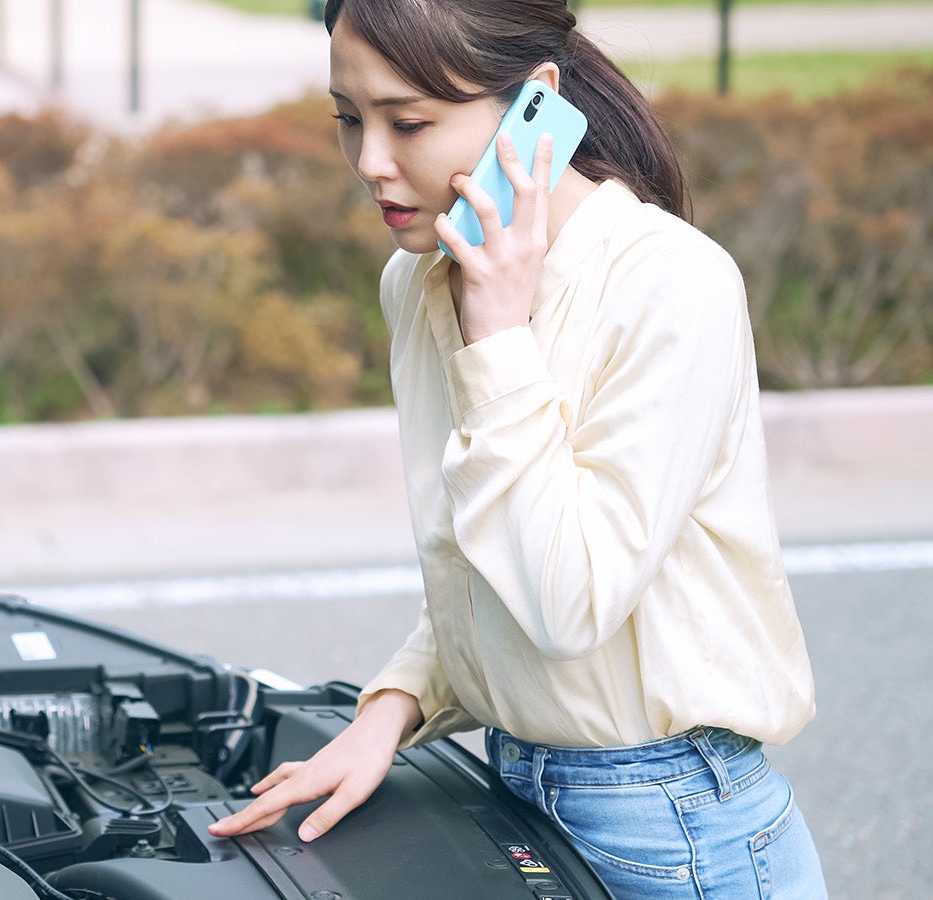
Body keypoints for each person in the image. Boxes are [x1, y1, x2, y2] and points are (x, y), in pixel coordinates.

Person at [205, 1, 829, 897]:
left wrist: (496, 336)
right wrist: (389, 710)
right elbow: (481, 557)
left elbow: (565, 603)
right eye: (348, 118)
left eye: (408, 122)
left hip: (676, 831)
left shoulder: (668, 282)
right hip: (515, 792)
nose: (371, 162)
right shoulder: (420, 275)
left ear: (535, 100)